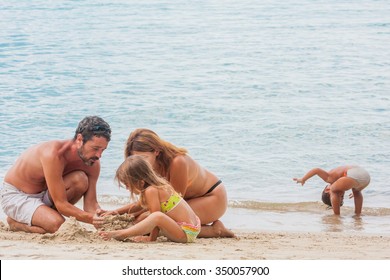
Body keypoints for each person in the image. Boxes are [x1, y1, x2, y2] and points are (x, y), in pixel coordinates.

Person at [0, 116, 111, 233]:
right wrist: (89, 218)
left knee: (80, 179)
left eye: (103, 150)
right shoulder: (53, 155)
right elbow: (61, 204)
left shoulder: (92, 162)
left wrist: (102, 219)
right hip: (17, 196)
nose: (99, 155)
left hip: (47, 195)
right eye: (95, 148)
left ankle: (43, 216)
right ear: (79, 139)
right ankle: (16, 223)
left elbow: (91, 204)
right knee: (58, 225)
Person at [122, 128, 234, 238]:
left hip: (212, 197)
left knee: (145, 219)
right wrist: (115, 212)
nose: (140, 162)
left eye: (143, 157)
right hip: (187, 200)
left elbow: (172, 201)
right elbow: (147, 200)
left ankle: (214, 230)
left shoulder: (177, 162)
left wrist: (131, 214)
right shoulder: (149, 167)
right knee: (142, 219)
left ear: (156, 151)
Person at [99, 155, 201, 243]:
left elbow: (155, 219)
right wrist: (115, 211)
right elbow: (138, 205)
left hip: (185, 232)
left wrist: (151, 239)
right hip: (192, 228)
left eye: (127, 185)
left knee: (155, 215)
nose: (127, 188)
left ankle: (122, 234)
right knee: (149, 215)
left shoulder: (151, 190)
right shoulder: (158, 185)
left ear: (141, 182)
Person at [293, 165, 370, 215]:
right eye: (342, 197)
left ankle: (336, 215)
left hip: (352, 173)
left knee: (333, 190)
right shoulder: (343, 181)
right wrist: (358, 188)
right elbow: (357, 179)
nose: (341, 194)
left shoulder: (329, 178)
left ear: (327, 190)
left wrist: (303, 179)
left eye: (340, 197)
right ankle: (358, 214)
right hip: (366, 176)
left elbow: (316, 170)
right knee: (357, 192)